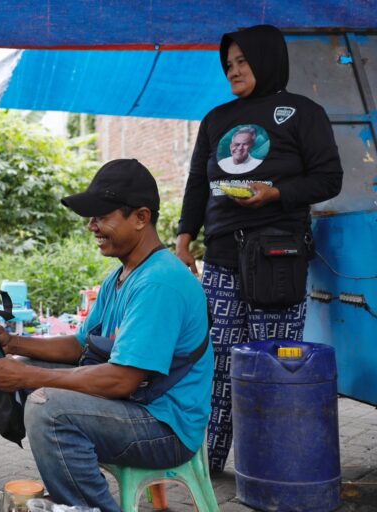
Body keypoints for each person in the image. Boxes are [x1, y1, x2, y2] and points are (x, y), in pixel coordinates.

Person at [0, 160, 213, 512]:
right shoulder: (123, 275)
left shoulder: (159, 282)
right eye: (91, 218)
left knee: (48, 409)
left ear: (141, 217)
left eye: (102, 216)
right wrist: (12, 344)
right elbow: (82, 345)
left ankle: (87, 506)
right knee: (29, 369)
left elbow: (122, 381)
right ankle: (72, 487)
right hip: (140, 406)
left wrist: (29, 377)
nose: (92, 227)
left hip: (166, 428)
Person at [175, 25, 343, 472]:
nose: (234, 70)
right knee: (215, 363)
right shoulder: (216, 119)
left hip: (277, 259)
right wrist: (184, 238)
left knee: (272, 364)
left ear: (266, 59)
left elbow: (329, 179)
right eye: (228, 64)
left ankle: (270, 465)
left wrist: (275, 194)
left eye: (243, 61)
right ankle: (206, 465)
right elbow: (198, 183)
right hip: (223, 259)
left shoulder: (304, 113)